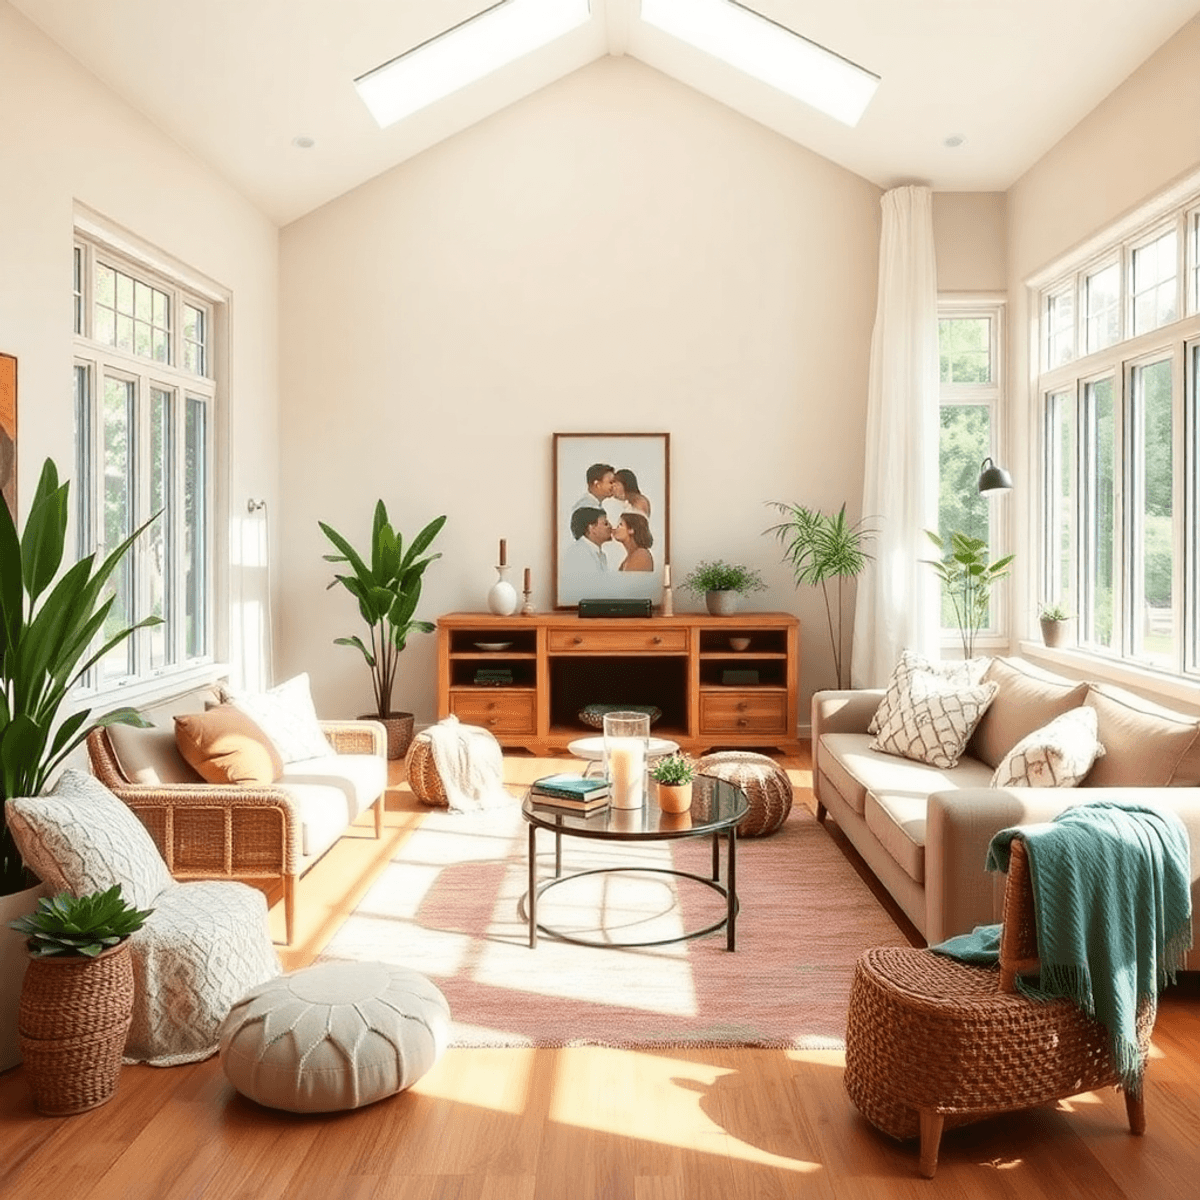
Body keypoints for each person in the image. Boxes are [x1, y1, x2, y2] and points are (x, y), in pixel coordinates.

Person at [563, 506, 612, 574]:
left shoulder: (599, 554)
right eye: (606, 523)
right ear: (591, 528)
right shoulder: (580, 553)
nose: (611, 526)